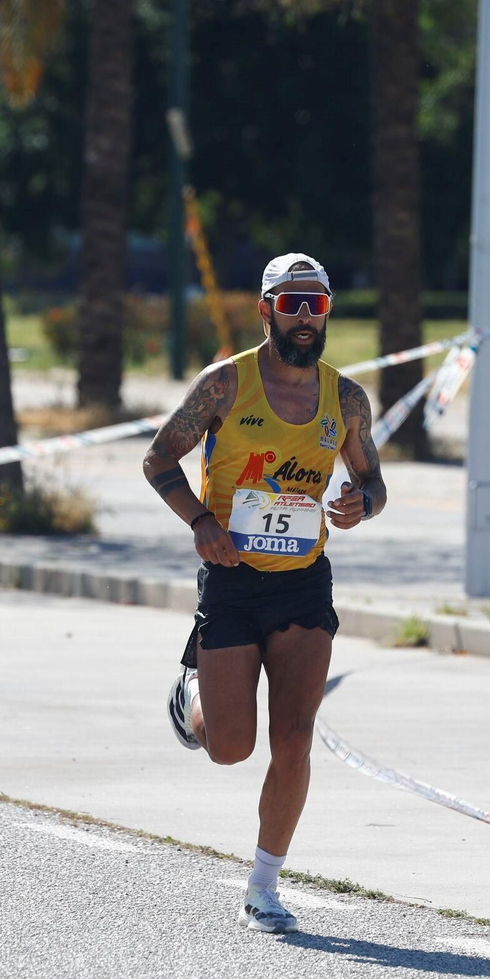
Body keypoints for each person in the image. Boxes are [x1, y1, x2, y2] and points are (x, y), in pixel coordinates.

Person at [141, 252, 386, 934]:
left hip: (304, 583)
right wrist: (201, 522)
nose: (305, 317)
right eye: (291, 304)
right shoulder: (224, 385)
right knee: (229, 748)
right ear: (266, 311)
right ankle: (191, 696)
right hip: (233, 580)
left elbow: (373, 480)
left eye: (316, 305)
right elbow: (158, 459)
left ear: (328, 313)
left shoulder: (346, 399)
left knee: (296, 737)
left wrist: (362, 503)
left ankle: (264, 886)